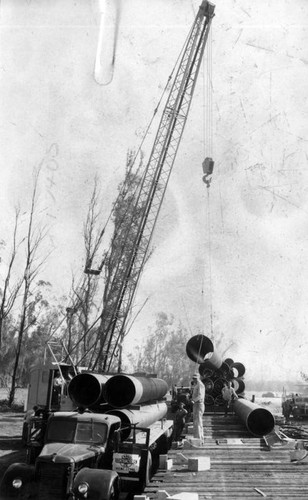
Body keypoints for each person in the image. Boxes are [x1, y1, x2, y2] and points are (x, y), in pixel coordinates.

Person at [191, 373, 205, 442]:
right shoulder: (196, 385)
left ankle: (199, 439)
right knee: (196, 422)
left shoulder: (200, 385)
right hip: (196, 405)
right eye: (193, 378)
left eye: (195, 378)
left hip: (199, 404)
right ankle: (197, 438)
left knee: (198, 422)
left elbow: (200, 396)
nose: (194, 379)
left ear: (198, 378)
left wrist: (194, 401)